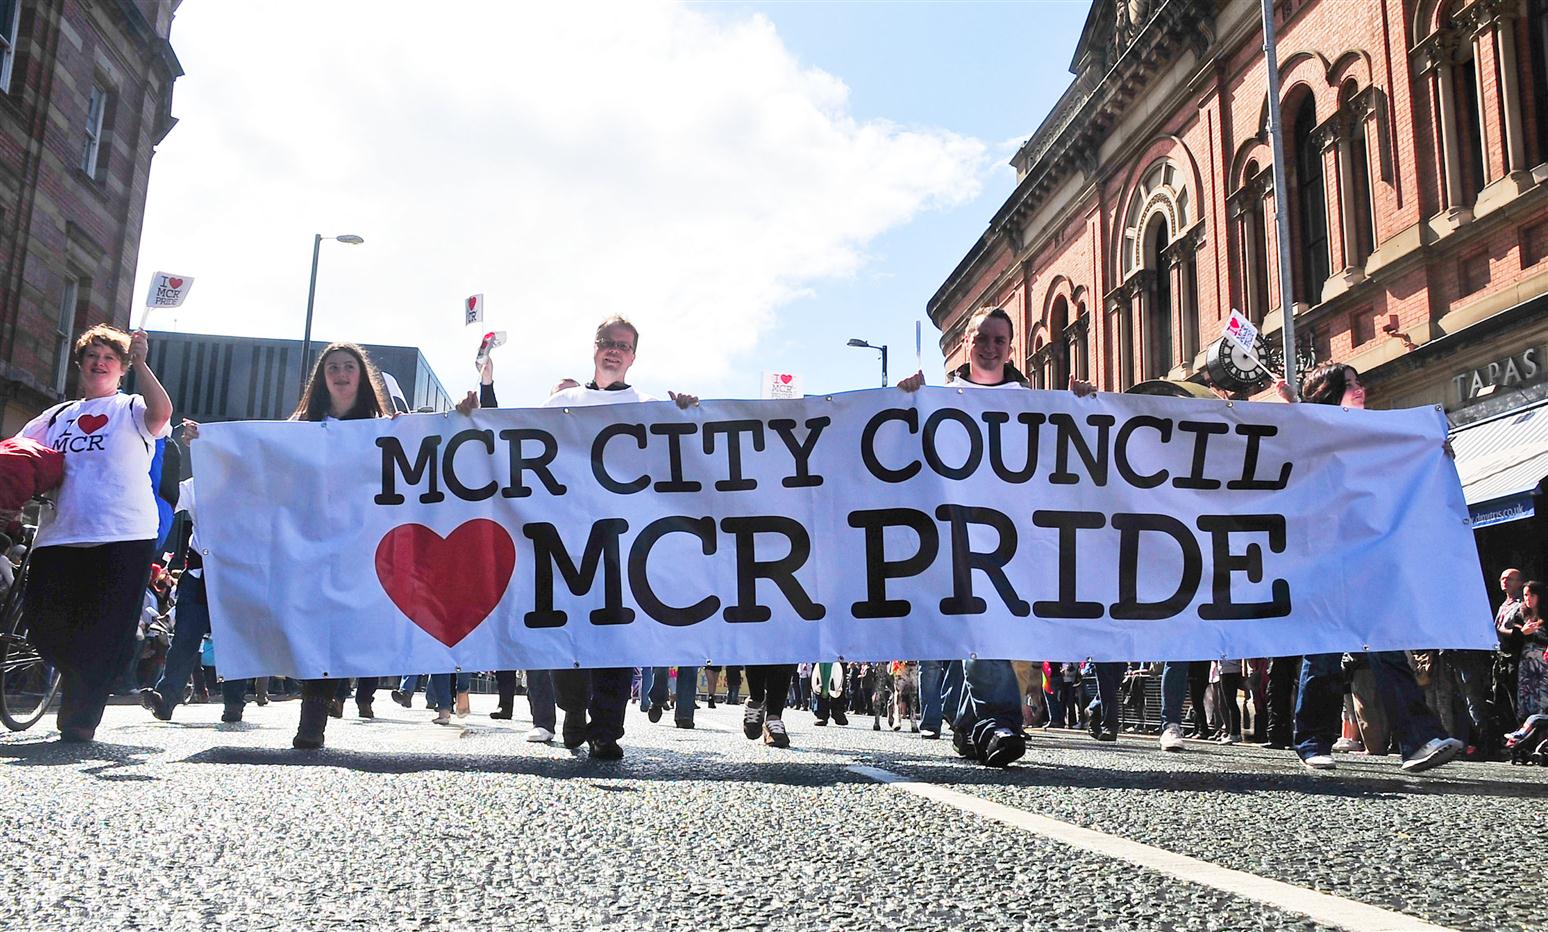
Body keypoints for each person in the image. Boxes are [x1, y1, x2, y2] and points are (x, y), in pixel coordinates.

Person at [462, 316, 697, 760]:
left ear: (634, 355)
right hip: (565, 539)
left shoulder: (649, 404)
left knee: (616, 637)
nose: (614, 350)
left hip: (621, 541)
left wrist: (691, 413)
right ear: (593, 347)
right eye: (607, 342)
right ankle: (572, 711)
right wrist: (478, 405)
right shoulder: (564, 400)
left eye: (623, 345)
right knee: (567, 633)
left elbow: (685, 449)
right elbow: (512, 436)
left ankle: (607, 730)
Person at [897, 306, 1095, 766]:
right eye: (981, 338)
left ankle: (996, 723)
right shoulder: (940, 397)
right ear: (967, 343)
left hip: (1013, 539)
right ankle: (975, 725)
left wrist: (1084, 405)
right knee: (968, 631)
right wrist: (904, 399)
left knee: (991, 625)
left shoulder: (1033, 404)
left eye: (999, 341)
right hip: (953, 534)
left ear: (1010, 349)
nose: (989, 347)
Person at [1287, 364, 1464, 773]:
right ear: (1328, 394)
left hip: (1368, 556)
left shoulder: (1377, 433)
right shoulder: (1314, 434)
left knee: (1387, 645)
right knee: (1325, 653)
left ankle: (1419, 740)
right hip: (1326, 559)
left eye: (1359, 382)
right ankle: (1313, 739)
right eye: (1349, 384)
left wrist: (1433, 455)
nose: (1360, 389)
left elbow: (1405, 470)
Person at [15, 325, 172, 742]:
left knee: (102, 632)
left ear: (120, 368)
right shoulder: (53, 416)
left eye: (109, 358)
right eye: (92, 357)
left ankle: (79, 720)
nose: (99, 363)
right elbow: (16, 454)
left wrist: (142, 362)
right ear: (81, 365)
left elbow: (161, 414)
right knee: (45, 623)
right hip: (59, 534)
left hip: (122, 535)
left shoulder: (132, 407)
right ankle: (78, 673)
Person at [284, 343, 395, 749]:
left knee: (349, 625)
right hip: (313, 541)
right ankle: (312, 716)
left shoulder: (383, 425)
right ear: (322, 377)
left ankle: (334, 692)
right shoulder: (301, 426)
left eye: (350, 366)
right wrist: (209, 443)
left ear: (362, 376)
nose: (342, 373)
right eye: (334, 367)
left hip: (365, 542)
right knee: (317, 625)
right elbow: (263, 459)